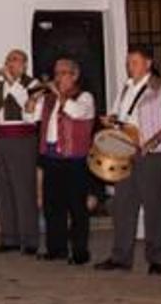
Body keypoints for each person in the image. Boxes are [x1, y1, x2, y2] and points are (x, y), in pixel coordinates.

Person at [95, 47, 161, 275]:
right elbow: (120, 117)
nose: (129, 66)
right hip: (125, 152)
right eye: (128, 62)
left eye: (134, 62)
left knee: (154, 206)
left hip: (150, 156)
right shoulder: (126, 88)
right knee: (123, 206)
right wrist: (111, 120)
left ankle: (157, 258)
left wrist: (152, 141)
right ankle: (121, 257)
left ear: (148, 63)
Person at [28, 58, 94, 265]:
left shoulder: (84, 97)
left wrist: (59, 95)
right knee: (52, 207)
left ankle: (80, 252)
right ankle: (56, 249)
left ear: (74, 75)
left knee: (76, 208)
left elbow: (76, 112)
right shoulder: (48, 99)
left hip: (74, 160)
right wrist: (32, 100)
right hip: (51, 158)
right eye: (56, 73)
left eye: (62, 73)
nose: (57, 77)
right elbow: (30, 118)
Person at [0, 49, 40, 254]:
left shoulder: (33, 84)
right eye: (8, 60)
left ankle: (29, 240)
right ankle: (9, 238)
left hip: (22, 139)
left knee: (24, 190)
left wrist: (12, 82)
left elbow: (28, 107)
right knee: (2, 190)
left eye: (16, 60)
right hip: (0, 139)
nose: (11, 64)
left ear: (25, 65)